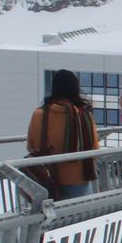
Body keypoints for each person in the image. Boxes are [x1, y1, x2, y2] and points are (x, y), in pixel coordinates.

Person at [26, 69, 100, 200]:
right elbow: (94, 148)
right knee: (81, 216)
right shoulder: (84, 115)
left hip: (47, 179)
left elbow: (31, 146)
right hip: (80, 178)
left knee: (52, 217)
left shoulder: (39, 114)